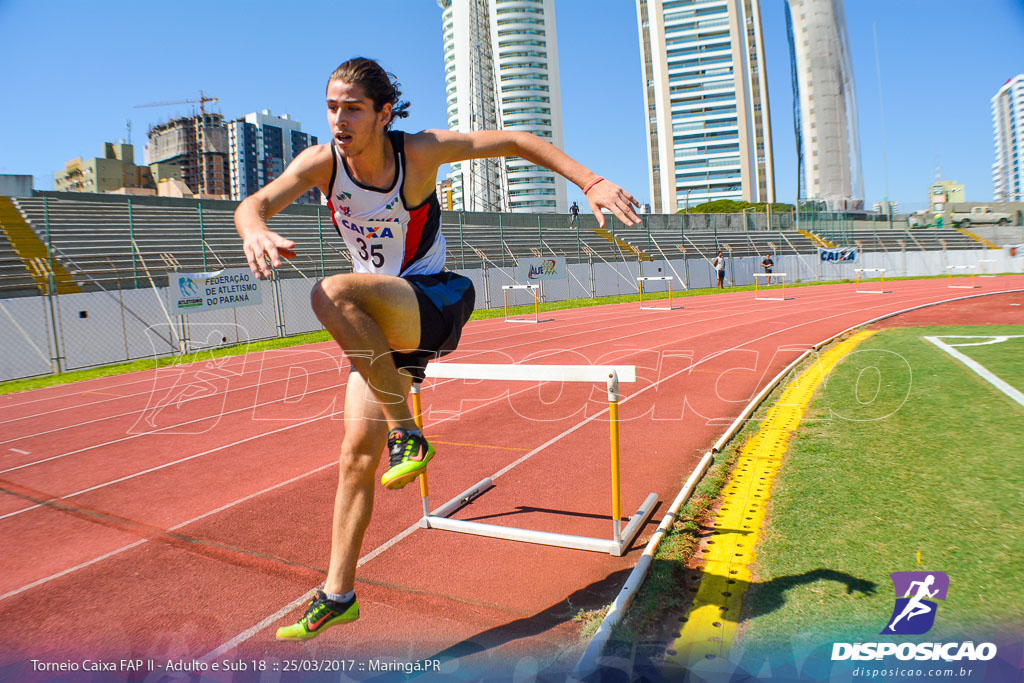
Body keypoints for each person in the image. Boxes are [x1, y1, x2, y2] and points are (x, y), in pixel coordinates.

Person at [234, 57, 640, 641]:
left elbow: (515, 139)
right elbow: (254, 204)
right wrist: (254, 229)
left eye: (352, 108)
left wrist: (589, 180)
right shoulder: (321, 164)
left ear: (383, 113)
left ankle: (409, 433)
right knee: (353, 458)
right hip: (377, 325)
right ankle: (337, 593)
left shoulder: (417, 154)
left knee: (329, 291)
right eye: (331, 107)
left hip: (431, 301)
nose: (339, 121)